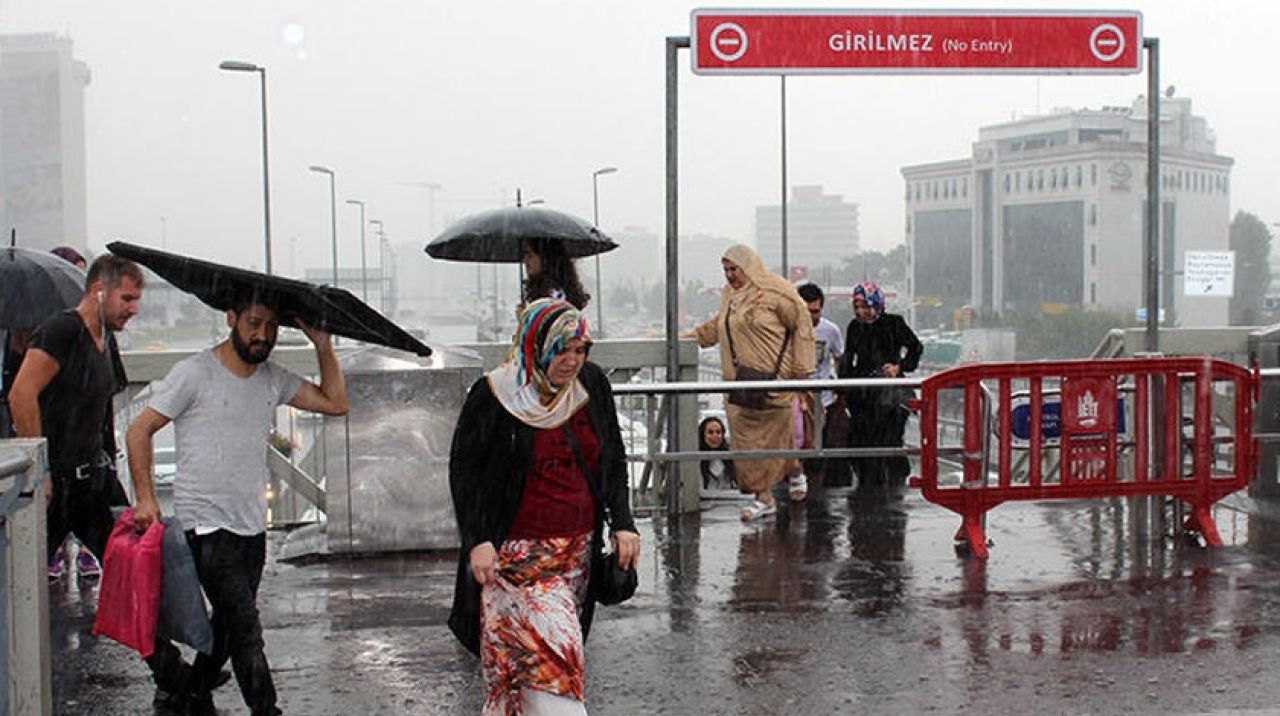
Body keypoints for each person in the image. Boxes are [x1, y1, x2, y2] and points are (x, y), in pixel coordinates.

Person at [127, 291, 348, 716]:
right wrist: (146, 497)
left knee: (228, 626)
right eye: (253, 323)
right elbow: (139, 430)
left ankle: (189, 692)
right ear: (231, 318)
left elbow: (335, 402)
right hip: (206, 524)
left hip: (251, 525)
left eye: (271, 327)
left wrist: (323, 346)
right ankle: (267, 710)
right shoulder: (193, 373)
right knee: (246, 628)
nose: (262, 334)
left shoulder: (273, 378)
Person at [448, 298, 639, 716]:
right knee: (557, 667)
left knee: (516, 680)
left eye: (580, 349)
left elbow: (612, 457)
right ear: (536, 346)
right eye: (560, 350)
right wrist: (478, 539)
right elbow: (465, 470)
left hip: (577, 557)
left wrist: (624, 522)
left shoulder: (590, 385)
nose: (572, 361)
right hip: (516, 561)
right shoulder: (495, 394)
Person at [691, 244, 815, 521]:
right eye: (726, 270)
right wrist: (688, 339)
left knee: (779, 439)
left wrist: (801, 369)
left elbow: (802, 323)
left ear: (749, 266)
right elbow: (719, 326)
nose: (730, 275)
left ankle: (795, 470)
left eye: (735, 269)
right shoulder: (730, 297)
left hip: (775, 381)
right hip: (740, 384)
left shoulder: (777, 292)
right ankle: (763, 496)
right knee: (746, 444)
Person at [838, 281, 922, 500]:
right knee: (860, 442)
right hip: (863, 393)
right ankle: (867, 491)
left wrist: (899, 366)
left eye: (865, 306)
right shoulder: (854, 327)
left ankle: (893, 495)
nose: (861, 312)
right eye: (857, 307)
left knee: (890, 442)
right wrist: (843, 387)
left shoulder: (894, 324)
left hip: (890, 395)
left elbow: (915, 347)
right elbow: (849, 358)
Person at [796, 283, 848, 488]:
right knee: (796, 448)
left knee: (817, 451)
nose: (811, 317)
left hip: (822, 401)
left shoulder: (831, 331)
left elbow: (839, 358)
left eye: (815, 312)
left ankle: (816, 493)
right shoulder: (788, 330)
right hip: (796, 399)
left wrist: (839, 389)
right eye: (806, 312)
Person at [522, 237, 590, 311]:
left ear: (545, 259)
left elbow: (552, 320)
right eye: (524, 255)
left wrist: (525, 318)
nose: (525, 260)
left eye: (530, 255)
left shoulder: (555, 295)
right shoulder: (542, 290)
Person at [698, 415, 737, 491]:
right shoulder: (696, 459)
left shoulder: (730, 457)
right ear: (703, 435)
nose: (715, 436)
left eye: (718, 432)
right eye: (710, 432)